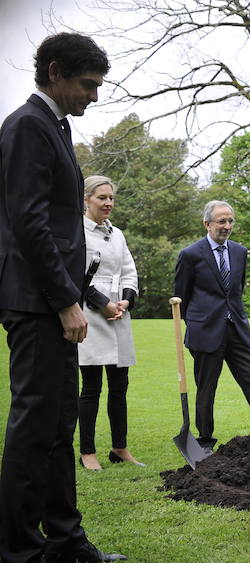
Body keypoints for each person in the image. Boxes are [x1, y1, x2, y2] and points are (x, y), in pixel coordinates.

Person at [0, 32, 126, 563]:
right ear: (55, 71)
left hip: (56, 300)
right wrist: (64, 301)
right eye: (87, 84)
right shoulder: (27, 126)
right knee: (33, 432)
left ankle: (64, 537)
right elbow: (28, 224)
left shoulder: (57, 126)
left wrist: (88, 297)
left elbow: (58, 231)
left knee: (59, 426)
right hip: (34, 303)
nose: (94, 96)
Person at [173, 201, 250, 450]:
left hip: (237, 330)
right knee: (207, 387)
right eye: (221, 221)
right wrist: (199, 323)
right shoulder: (190, 254)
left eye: (230, 220)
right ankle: (205, 440)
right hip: (206, 332)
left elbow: (236, 291)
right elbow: (182, 297)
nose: (227, 226)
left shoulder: (240, 252)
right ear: (207, 224)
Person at [77, 175, 142, 471]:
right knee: (91, 387)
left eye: (111, 198)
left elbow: (129, 270)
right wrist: (102, 304)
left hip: (119, 315)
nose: (108, 203)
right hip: (90, 314)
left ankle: (120, 447)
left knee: (120, 386)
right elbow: (75, 274)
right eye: (101, 198)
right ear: (87, 198)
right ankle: (87, 451)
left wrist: (125, 301)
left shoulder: (117, 234)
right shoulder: (76, 231)